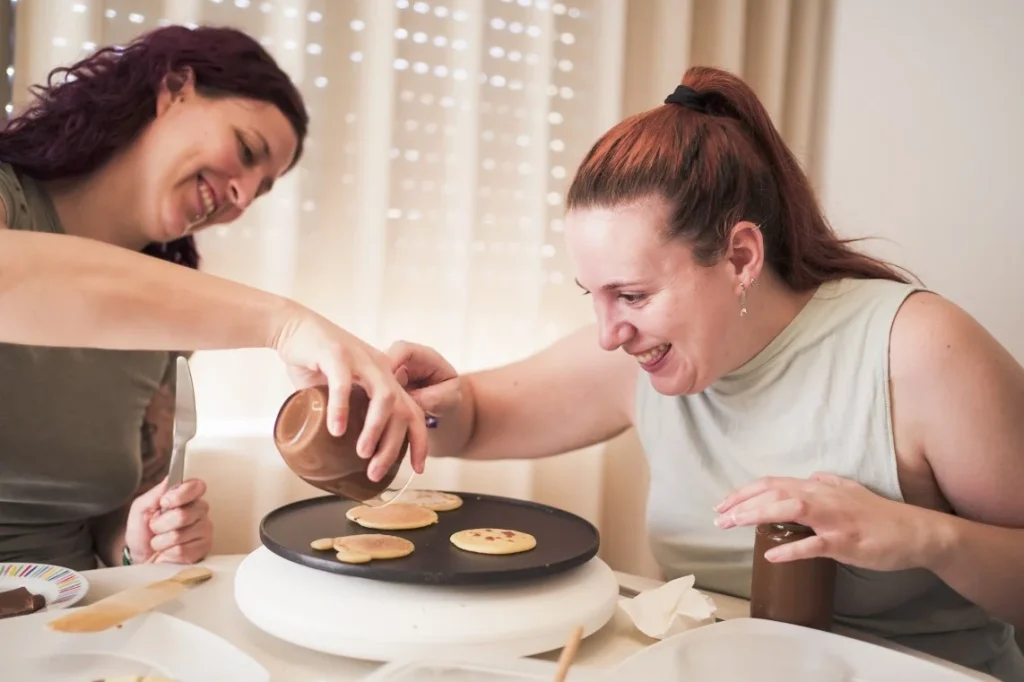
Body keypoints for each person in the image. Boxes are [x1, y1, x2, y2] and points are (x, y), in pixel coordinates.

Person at [387, 66, 1024, 680]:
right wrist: (418, 403)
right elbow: (471, 422)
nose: (610, 335)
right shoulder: (640, 357)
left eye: (632, 296)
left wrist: (923, 537)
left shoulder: (918, 350)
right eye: (594, 296)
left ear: (740, 256)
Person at [0, 25, 426, 572]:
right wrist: (283, 324)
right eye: (247, 151)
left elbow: (105, 530)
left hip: (67, 615)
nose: (243, 197)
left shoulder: (166, 324)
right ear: (175, 88)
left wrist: (141, 541)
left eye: (262, 188)